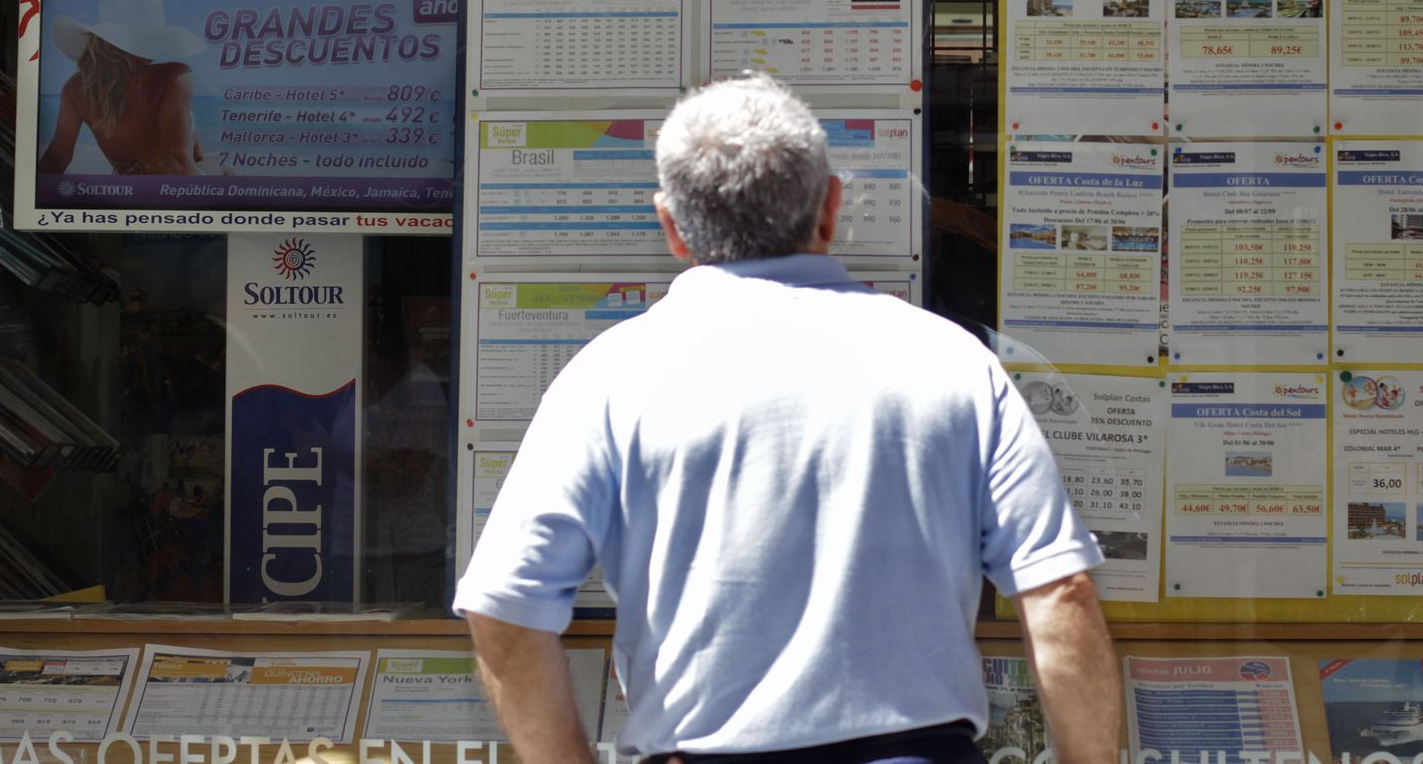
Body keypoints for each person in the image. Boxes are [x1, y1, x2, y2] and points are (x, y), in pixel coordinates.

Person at [455, 75, 1119, 764]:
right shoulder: (952, 363)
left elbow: (504, 606)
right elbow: (1059, 591)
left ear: (672, 227)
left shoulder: (610, 377)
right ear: (830, 208)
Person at [38, 0, 207, 175]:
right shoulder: (174, 77)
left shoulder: (76, 88)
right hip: (169, 191)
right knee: (227, 172)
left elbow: (58, 156)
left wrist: (37, 195)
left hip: (121, 190)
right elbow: (178, 161)